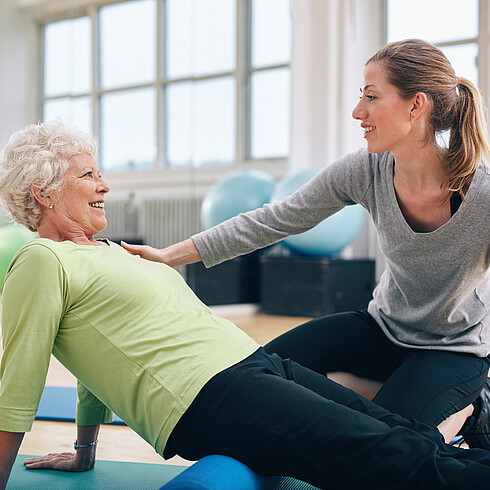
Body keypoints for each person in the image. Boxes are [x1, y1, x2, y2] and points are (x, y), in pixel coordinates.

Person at [2, 125, 490, 490]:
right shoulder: (42, 260)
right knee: (386, 456)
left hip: (255, 363)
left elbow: (96, 354)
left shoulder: (108, 251)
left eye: (100, 173)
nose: (104, 185)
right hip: (207, 396)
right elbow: (18, 382)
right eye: (88, 175)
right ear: (42, 193)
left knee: (401, 431)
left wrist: (86, 448)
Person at [122, 38, 490, 448]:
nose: (358, 112)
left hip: (451, 350)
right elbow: (276, 218)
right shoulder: (363, 171)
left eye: (371, 97)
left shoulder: (484, 196)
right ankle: (374, 392)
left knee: (386, 446)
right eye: (359, 97)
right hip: (382, 329)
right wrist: (169, 256)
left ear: (415, 105)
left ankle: (475, 412)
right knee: (257, 371)